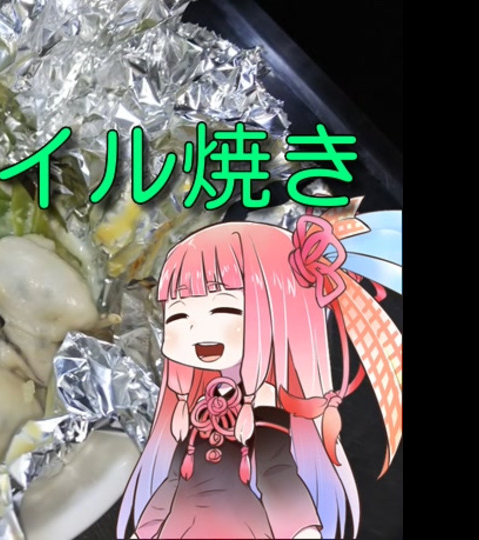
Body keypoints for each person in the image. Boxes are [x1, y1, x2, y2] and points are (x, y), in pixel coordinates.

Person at [117, 202, 402, 539]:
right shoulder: (194, 407)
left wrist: (302, 531)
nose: (194, 331)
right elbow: (172, 480)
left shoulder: (265, 405)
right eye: (179, 316)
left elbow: (276, 473)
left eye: (222, 310)